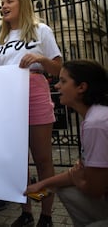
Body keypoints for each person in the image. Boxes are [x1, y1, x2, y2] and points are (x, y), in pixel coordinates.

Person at [0, 0, 62, 227]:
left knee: (42, 159)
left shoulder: (41, 30)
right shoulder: (1, 38)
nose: (3, 5)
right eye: (2, 2)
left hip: (35, 93)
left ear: (22, 4)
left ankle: (46, 216)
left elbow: (58, 67)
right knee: (17, 161)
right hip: (8, 100)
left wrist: (39, 59)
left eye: (9, 1)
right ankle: (25, 211)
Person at [25, 60, 108, 227]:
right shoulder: (95, 116)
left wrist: (80, 181)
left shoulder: (96, 124)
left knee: (68, 188)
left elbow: (95, 189)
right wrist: (43, 184)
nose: (56, 86)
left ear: (81, 87)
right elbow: (77, 172)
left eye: (63, 81)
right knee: (60, 186)